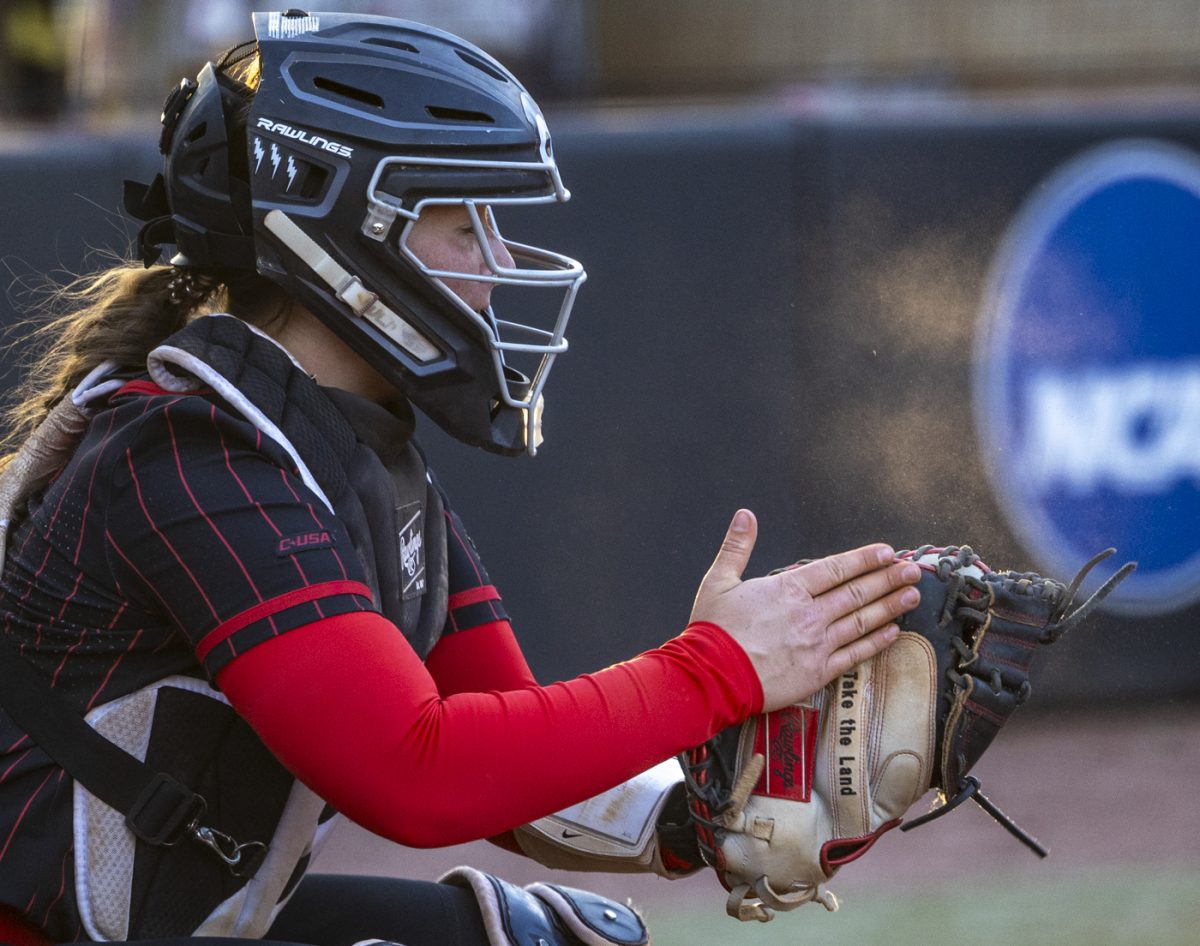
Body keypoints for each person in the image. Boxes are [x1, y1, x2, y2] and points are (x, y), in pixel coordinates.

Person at [0, 11, 921, 946]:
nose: (501, 261)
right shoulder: (193, 454)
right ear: (349, 228)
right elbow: (418, 774)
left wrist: (707, 820)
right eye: (464, 221)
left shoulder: (335, 445)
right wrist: (720, 669)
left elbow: (507, 758)